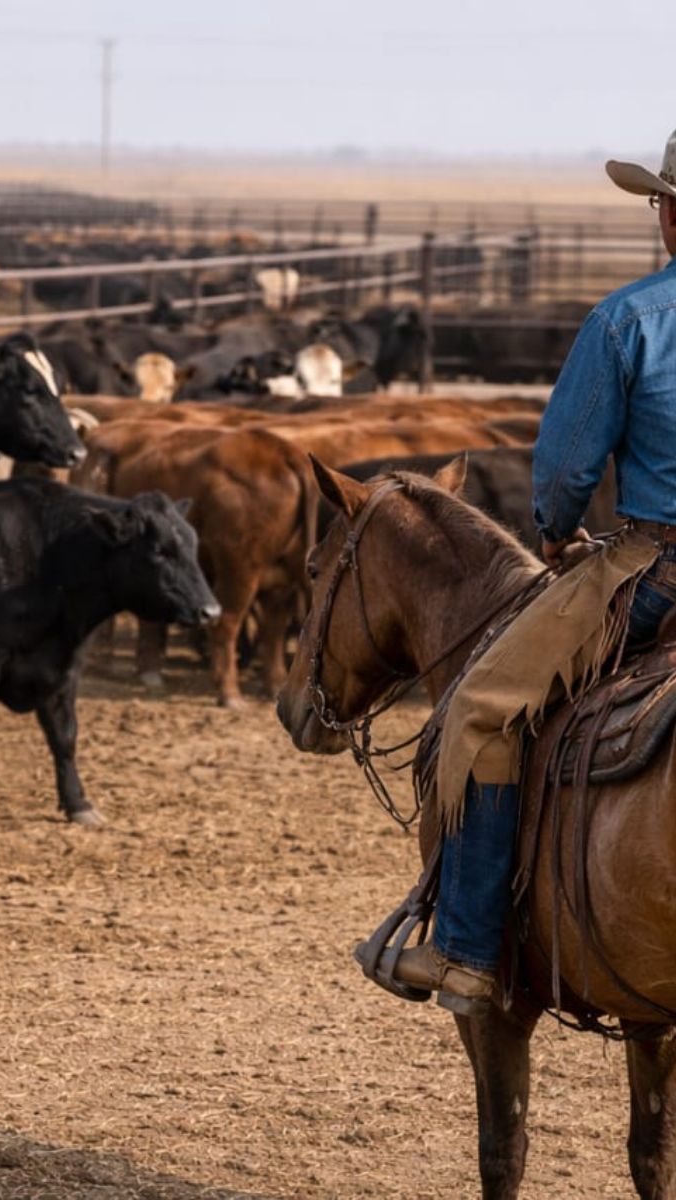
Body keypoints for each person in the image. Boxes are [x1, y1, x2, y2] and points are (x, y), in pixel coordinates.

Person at [358, 128, 676, 1015]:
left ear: (671, 215)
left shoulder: (629, 321)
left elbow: (568, 466)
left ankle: (466, 949)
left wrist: (557, 532)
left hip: (656, 569)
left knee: (483, 709)